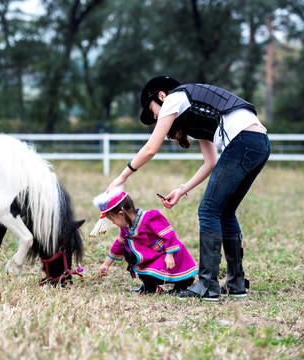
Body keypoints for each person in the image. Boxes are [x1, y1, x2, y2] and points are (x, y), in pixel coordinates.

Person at [106, 76, 271, 302]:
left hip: (243, 142)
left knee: (208, 211)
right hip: (259, 143)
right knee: (224, 212)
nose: (155, 116)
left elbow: (151, 149)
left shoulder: (175, 98)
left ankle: (207, 285)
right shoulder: (195, 109)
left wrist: (122, 176)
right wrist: (182, 190)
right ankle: (236, 282)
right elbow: (210, 162)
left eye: (151, 109)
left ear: (161, 96)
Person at [91, 186, 198, 295]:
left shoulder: (149, 218)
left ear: (121, 214)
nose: (114, 223)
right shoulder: (126, 228)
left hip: (168, 253)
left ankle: (183, 284)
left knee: (167, 273)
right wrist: (106, 264)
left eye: (113, 220)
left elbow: (169, 234)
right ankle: (150, 288)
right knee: (144, 271)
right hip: (153, 256)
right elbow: (119, 244)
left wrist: (170, 255)